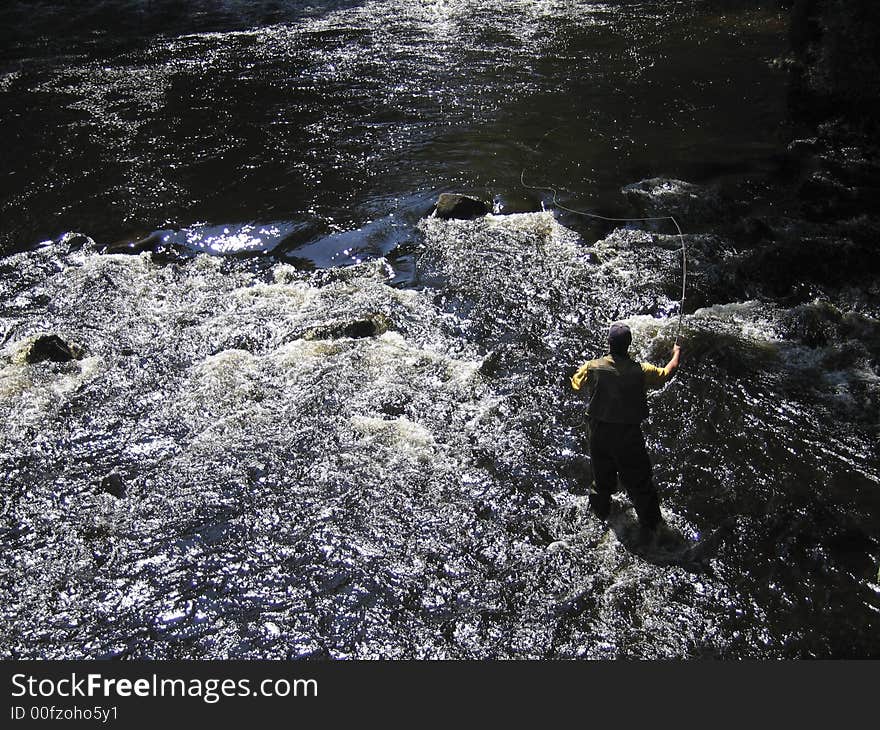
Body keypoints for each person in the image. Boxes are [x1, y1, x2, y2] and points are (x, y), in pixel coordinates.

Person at [570, 323, 681, 533]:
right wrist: (676, 353)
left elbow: (576, 384)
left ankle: (600, 517)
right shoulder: (641, 370)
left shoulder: (592, 366)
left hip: (599, 436)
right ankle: (654, 529)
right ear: (629, 345)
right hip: (628, 437)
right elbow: (667, 372)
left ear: (609, 343)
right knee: (640, 484)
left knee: (602, 481)